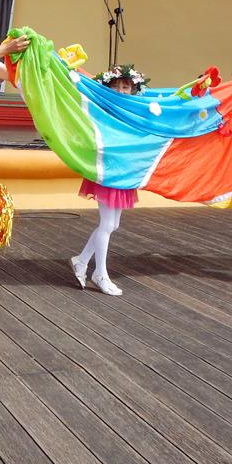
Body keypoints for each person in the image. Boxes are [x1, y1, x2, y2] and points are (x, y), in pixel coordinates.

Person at [69, 66, 147, 296]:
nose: (121, 91)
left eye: (126, 87)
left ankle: (82, 261)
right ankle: (100, 273)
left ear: (133, 90)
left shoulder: (133, 111)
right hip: (107, 169)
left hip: (123, 171)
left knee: (113, 225)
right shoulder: (102, 109)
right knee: (107, 224)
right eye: (115, 86)